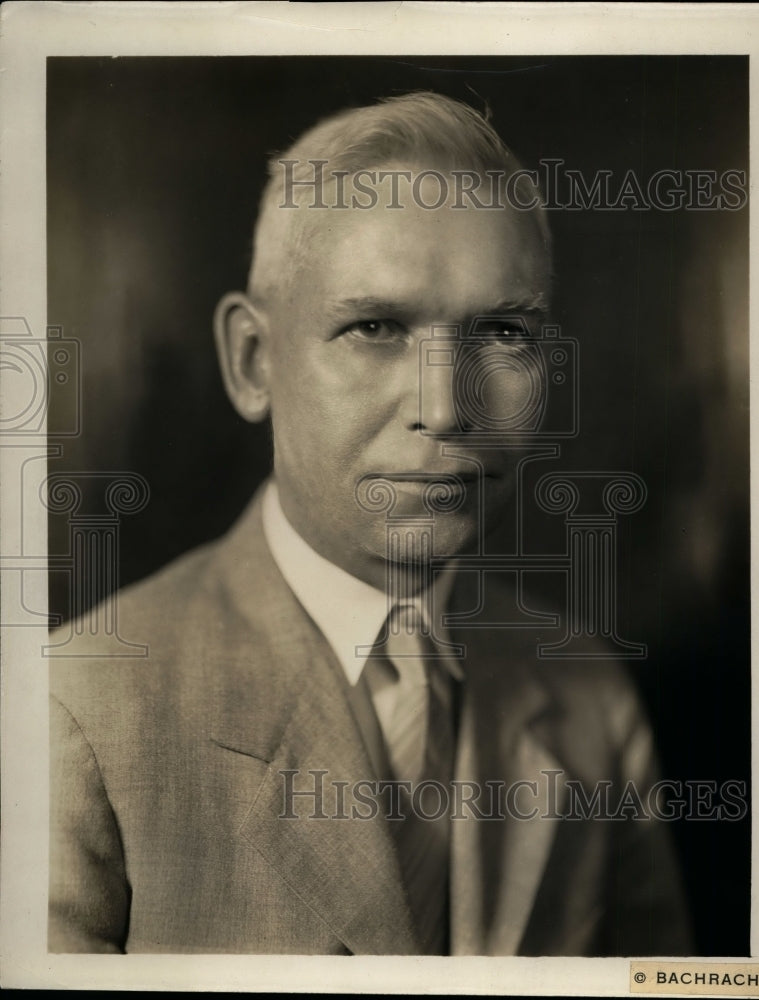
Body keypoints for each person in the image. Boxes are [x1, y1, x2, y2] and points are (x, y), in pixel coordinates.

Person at [49, 91, 691, 955]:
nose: (444, 408)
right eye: (375, 328)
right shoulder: (74, 711)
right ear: (252, 362)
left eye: (502, 331)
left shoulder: (588, 694)